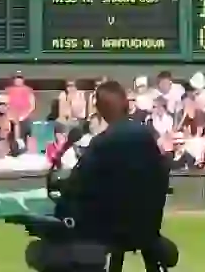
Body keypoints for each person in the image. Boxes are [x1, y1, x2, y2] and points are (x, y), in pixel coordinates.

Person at [59, 80, 172, 272]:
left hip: (112, 227)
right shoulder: (146, 136)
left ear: (102, 110)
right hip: (147, 224)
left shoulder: (102, 143)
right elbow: (161, 173)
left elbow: (79, 181)